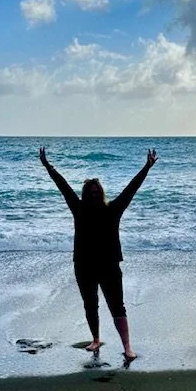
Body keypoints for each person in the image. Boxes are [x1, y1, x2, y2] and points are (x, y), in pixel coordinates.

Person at [39, 146, 158, 361]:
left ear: (101, 194)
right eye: (90, 193)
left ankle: (127, 347)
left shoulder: (113, 209)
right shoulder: (79, 209)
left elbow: (131, 189)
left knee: (117, 306)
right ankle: (95, 339)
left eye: (97, 193)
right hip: (84, 265)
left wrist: (146, 167)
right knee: (90, 304)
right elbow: (63, 186)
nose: (94, 196)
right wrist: (48, 167)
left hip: (109, 265)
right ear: (85, 195)